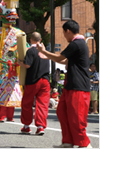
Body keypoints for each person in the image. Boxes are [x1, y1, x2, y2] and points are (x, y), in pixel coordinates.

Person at [36, 20, 92, 148]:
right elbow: (65, 59)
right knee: (62, 111)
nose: (64, 35)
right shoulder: (78, 43)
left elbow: (60, 58)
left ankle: (84, 143)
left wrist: (44, 51)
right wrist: (48, 56)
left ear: (67, 31)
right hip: (71, 85)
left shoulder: (76, 43)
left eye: (64, 32)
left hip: (78, 86)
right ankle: (68, 141)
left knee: (76, 117)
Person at [0, 0, 27, 122]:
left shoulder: (20, 33)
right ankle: (2, 115)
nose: (12, 18)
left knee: (12, 92)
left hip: (14, 67)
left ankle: (10, 116)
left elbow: (25, 49)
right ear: (1, 14)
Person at [18, 32, 50, 135]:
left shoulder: (31, 50)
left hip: (33, 80)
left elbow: (27, 65)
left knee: (27, 103)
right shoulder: (45, 51)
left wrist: (20, 63)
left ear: (30, 40)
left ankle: (27, 126)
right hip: (45, 80)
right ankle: (40, 127)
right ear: (40, 40)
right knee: (42, 104)